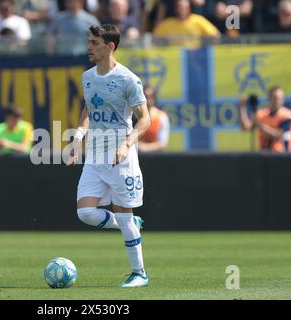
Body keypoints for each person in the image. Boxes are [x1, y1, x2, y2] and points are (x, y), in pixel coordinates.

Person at [67, 24, 151, 287]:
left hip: (120, 156)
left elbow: (145, 119)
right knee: (86, 212)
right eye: (89, 42)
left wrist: (126, 145)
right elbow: (89, 110)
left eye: (94, 43)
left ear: (110, 46)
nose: (89, 47)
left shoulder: (128, 79)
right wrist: (77, 138)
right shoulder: (88, 77)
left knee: (124, 214)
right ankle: (130, 224)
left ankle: (140, 273)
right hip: (95, 154)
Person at [239, 86, 291, 153]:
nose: (277, 101)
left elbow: (278, 135)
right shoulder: (261, 114)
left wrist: (259, 124)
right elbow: (245, 127)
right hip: (264, 156)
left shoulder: (288, 116)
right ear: (269, 98)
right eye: (274, 98)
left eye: (280, 98)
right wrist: (242, 107)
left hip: (282, 155)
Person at [153, 0, 220, 47]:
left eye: (184, 8)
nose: (181, 11)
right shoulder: (167, 24)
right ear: (175, 9)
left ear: (189, 8)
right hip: (175, 58)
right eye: (179, 7)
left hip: (195, 57)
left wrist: (206, 50)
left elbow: (215, 35)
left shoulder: (198, 20)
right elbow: (155, 37)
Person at [138, 85, 170, 152]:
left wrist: (145, 148)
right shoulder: (133, 116)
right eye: (143, 97)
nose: (145, 100)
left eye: (148, 97)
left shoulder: (161, 117)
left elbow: (162, 143)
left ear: (154, 99)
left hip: (154, 158)